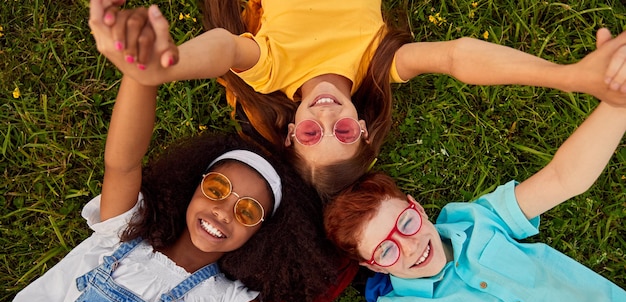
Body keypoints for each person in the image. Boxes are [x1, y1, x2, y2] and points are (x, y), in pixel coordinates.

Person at [0, 12, 341, 302]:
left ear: (261, 235)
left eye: (248, 211)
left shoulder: (225, 299)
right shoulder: (125, 229)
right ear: (193, 185)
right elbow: (124, 163)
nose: (223, 212)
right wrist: (142, 76)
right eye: (217, 189)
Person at [91, 0, 626, 199]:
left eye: (309, 134)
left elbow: (225, 49)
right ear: (363, 129)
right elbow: (460, 57)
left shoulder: (274, 65)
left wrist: (169, 64)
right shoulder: (380, 62)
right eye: (342, 134)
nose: (325, 118)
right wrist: (569, 77)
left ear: (290, 127)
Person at [323, 100, 626, 302]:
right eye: (386, 250)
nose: (410, 247)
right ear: (372, 266)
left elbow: (563, 178)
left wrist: (617, 100)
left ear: (418, 207)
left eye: (406, 223)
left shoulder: (476, 220)